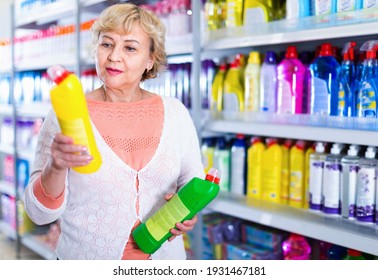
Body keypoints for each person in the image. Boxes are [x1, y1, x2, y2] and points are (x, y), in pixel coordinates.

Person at [23, 3, 204, 260]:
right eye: (106, 44)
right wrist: (56, 166)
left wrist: (186, 215)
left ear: (150, 59)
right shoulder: (67, 114)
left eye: (130, 47)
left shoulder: (175, 113)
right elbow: (39, 214)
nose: (114, 56)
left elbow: (193, 184)